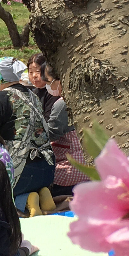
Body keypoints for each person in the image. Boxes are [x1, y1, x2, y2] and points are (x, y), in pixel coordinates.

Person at [0, 57, 55, 215]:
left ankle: (26, 199)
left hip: (21, 174)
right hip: (47, 169)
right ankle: (42, 193)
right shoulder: (32, 95)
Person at [42, 60, 90, 200]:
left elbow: (52, 133)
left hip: (72, 169)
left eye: (49, 82)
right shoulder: (86, 97)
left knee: (43, 173)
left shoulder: (62, 103)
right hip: (90, 165)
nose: (48, 86)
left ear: (61, 79)